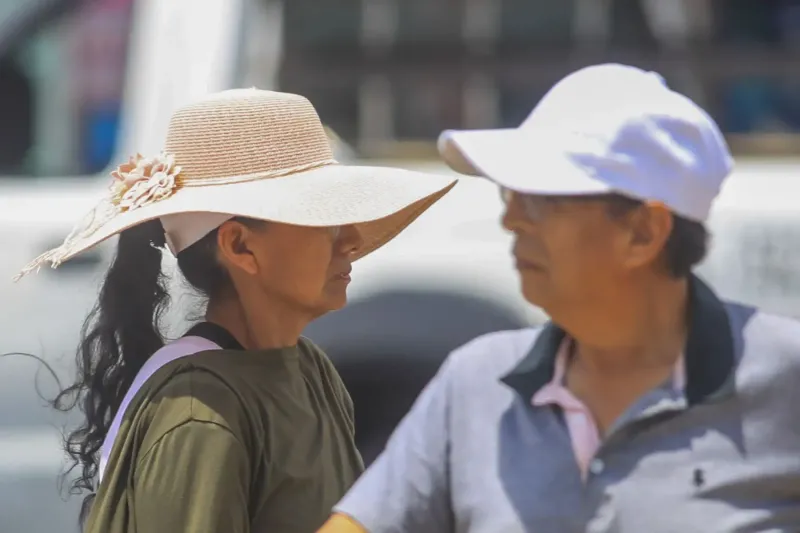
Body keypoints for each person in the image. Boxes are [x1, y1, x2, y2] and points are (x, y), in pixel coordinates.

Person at [318, 63, 800, 533]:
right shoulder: (476, 384)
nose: (513, 221)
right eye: (509, 195)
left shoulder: (785, 375)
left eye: (542, 199)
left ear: (644, 232)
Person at [14, 88, 457, 533]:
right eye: (323, 220)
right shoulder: (202, 414)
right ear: (240, 246)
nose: (351, 242)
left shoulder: (310, 371)